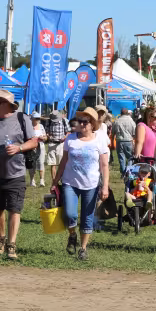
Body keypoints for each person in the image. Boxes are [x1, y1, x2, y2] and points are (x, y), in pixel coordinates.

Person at [0, 89, 38, 260]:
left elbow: (33, 142)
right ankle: (0, 239)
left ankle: (11, 244)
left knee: (14, 209)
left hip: (16, 173)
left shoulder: (21, 118)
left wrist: (19, 147)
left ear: (6, 104)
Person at [51, 107, 109, 261]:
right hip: (70, 182)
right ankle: (72, 235)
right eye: (80, 121)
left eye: (86, 122)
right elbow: (63, 161)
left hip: (91, 184)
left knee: (87, 217)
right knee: (70, 214)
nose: (82, 124)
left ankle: (83, 249)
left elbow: (104, 165)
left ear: (92, 124)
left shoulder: (100, 139)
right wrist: (55, 181)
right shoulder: (70, 138)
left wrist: (105, 186)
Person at [47, 110, 70, 181]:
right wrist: (49, 136)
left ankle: (62, 179)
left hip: (60, 144)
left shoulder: (64, 121)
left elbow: (68, 132)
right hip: (51, 144)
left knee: (61, 163)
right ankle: (54, 181)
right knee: (52, 163)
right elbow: (47, 132)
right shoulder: (49, 121)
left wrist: (64, 138)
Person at [113, 108, 136, 175]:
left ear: (121, 113)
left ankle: (123, 173)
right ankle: (129, 172)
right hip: (128, 140)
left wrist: (112, 142)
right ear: (127, 113)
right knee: (130, 157)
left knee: (121, 158)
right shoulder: (131, 121)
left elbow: (113, 133)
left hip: (119, 141)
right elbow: (134, 132)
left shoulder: (117, 121)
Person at [29, 111, 47, 187]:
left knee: (41, 162)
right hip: (31, 147)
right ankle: (32, 180)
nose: (37, 120)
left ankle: (41, 180)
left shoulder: (41, 126)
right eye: (35, 118)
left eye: (38, 118)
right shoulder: (29, 127)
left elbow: (45, 137)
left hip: (41, 146)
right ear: (32, 119)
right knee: (32, 164)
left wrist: (43, 138)